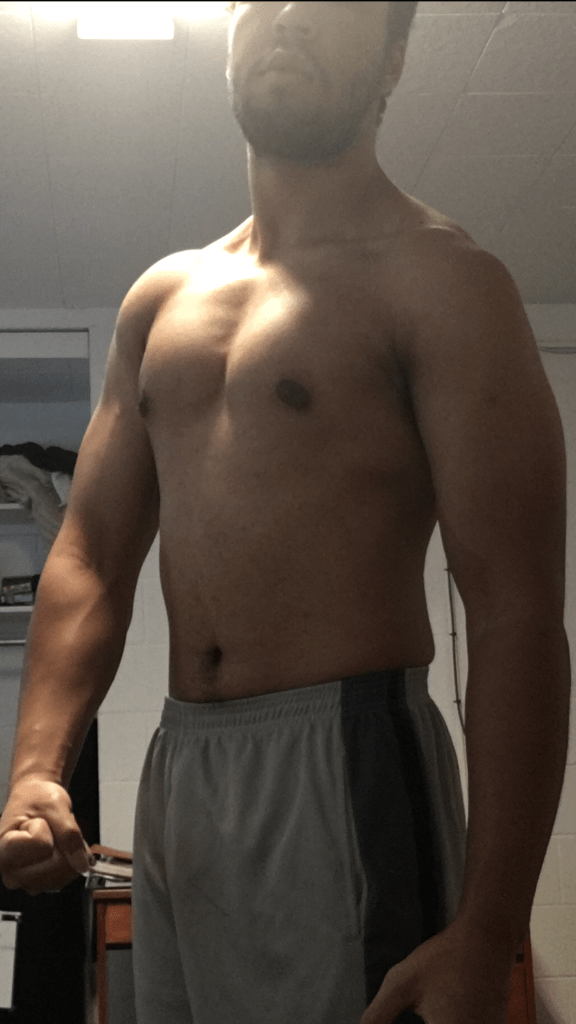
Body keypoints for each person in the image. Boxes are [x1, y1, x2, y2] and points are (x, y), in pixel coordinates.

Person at [0, 3, 571, 1023]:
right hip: (180, 771)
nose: (294, 17)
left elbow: (516, 616)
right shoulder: (159, 301)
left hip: (346, 766)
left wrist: (490, 930)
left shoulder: (446, 283)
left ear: (392, 61)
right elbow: (89, 556)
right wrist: (36, 771)